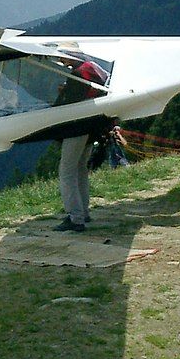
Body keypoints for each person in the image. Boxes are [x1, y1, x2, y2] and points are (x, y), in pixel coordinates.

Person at [54, 52, 108, 232]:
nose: (62, 61)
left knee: (67, 172)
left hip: (76, 127)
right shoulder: (92, 69)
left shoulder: (77, 74)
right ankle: (83, 212)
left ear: (71, 57)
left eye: (63, 57)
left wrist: (63, 94)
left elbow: (70, 104)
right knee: (80, 170)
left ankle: (75, 217)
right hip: (92, 127)